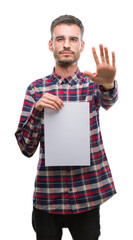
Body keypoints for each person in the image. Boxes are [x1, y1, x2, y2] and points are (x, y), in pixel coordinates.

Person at [15, 15, 118, 240]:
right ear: (51, 44)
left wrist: (108, 83)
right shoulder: (36, 89)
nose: (66, 44)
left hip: (87, 193)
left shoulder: (93, 84)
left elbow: (109, 101)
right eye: (60, 39)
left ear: (81, 45)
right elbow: (25, 147)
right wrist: (38, 110)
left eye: (73, 39)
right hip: (47, 196)